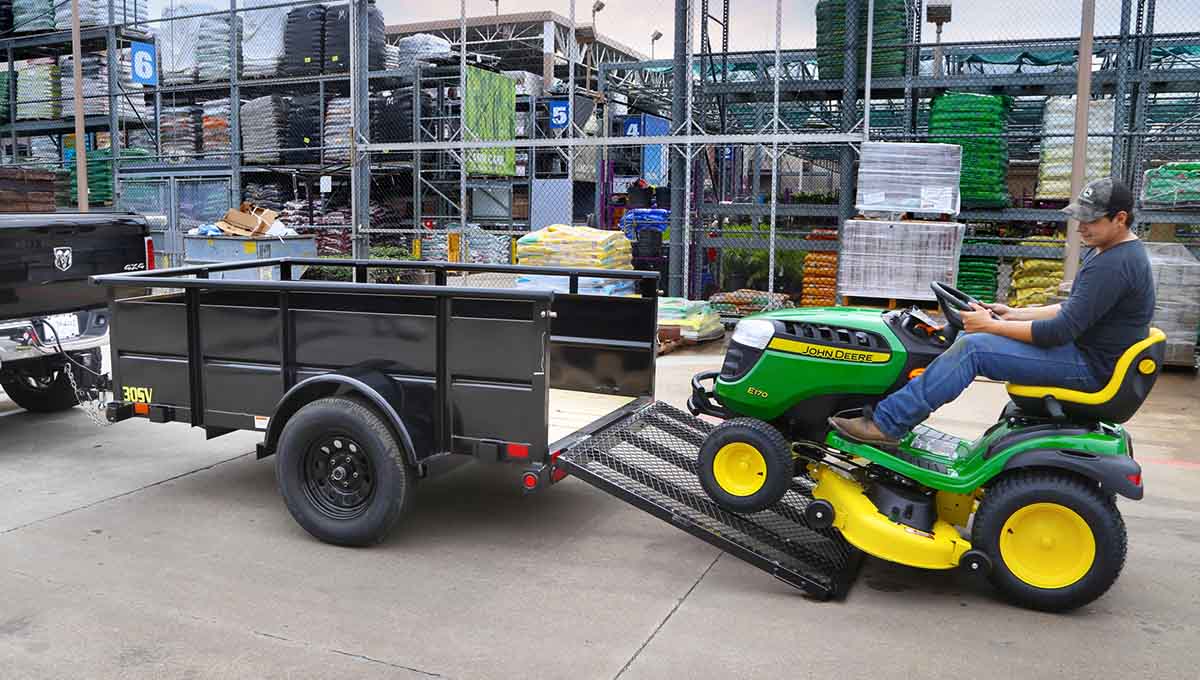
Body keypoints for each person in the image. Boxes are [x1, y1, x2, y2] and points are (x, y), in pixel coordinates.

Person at [830, 177, 1156, 446]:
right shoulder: (1114, 252)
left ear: (1120, 218)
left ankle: (888, 423)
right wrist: (1012, 313)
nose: (1082, 227)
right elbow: (1072, 309)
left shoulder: (1114, 265)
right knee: (977, 341)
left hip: (1087, 367)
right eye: (1080, 218)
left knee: (973, 349)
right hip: (1088, 355)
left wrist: (989, 327)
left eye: (1091, 220)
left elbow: (1059, 330)